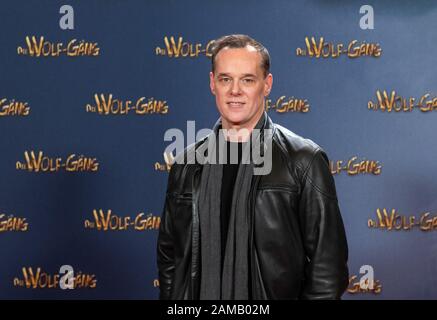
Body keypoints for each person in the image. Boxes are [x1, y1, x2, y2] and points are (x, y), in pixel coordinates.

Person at [157, 34, 349, 300]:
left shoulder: (303, 160)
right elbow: (170, 257)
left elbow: (328, 271)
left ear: (266, 85)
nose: (235, 91)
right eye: (225, 79)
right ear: (213, 83)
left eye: (247, 80)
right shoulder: (187, 165)